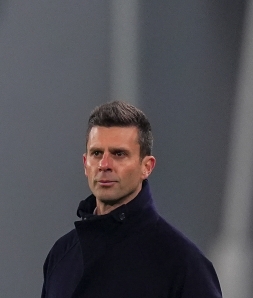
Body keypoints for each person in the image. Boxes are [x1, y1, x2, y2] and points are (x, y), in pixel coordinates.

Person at [41, 100, 222, 298]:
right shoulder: (61, 255)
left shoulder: (183, 263)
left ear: (147, 167)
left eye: (119, 154)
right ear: (85, 164)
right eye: (97, 153)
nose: (104, 164)